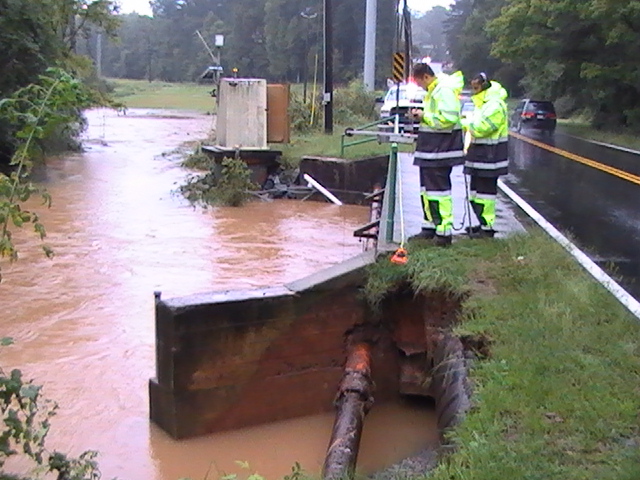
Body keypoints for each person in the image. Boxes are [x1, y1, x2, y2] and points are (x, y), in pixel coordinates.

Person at [409, 63, 465, 247]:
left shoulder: (443, 90)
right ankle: (430, 226)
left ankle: (443, 232)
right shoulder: (433, 91)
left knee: (439, 191)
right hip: (431, 150)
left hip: (441, 150)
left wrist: (423, 116)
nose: (420, 87)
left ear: (426, 76)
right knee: (427, 191)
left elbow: (448, 119)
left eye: (419, 82)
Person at [461, 73, 509, 238]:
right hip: (479, 155)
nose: (473, 91)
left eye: (476, 87)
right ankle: (481, 224)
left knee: (485, 194)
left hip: (491, 156)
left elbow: (483, 128)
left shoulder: (495, 104)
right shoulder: (482, 103)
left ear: (484, 86)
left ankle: (487, 228)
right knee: (476, 193)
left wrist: (465, 123)